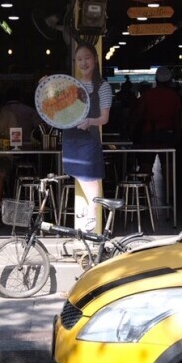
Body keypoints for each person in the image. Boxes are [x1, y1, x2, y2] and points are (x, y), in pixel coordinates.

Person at [58, 42, 112, 231]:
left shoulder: (103, 86)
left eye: (87, 58)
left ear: (95, 60)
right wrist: (47, 85)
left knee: (90, 178)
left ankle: (93, 215)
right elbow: (58, 108)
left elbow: (104, 119)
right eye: (79, 59)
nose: (83, 63)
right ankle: (91, 215)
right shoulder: (71, 85)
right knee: (85, 177)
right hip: (71, 137)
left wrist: (89, 121)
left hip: (89, 139)